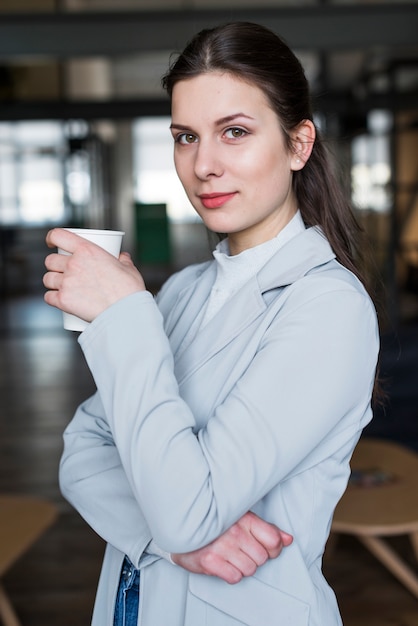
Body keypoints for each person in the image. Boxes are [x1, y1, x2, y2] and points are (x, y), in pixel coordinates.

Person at [43, 21, 380, 626]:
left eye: (235, 132)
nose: (203, 165)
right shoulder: (182, 291)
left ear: (299, 144)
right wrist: (179, 541)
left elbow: (186, 510)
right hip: (130, 602)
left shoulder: (329, 307)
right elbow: (82, 451)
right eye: (185, 137)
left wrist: (122, 315)